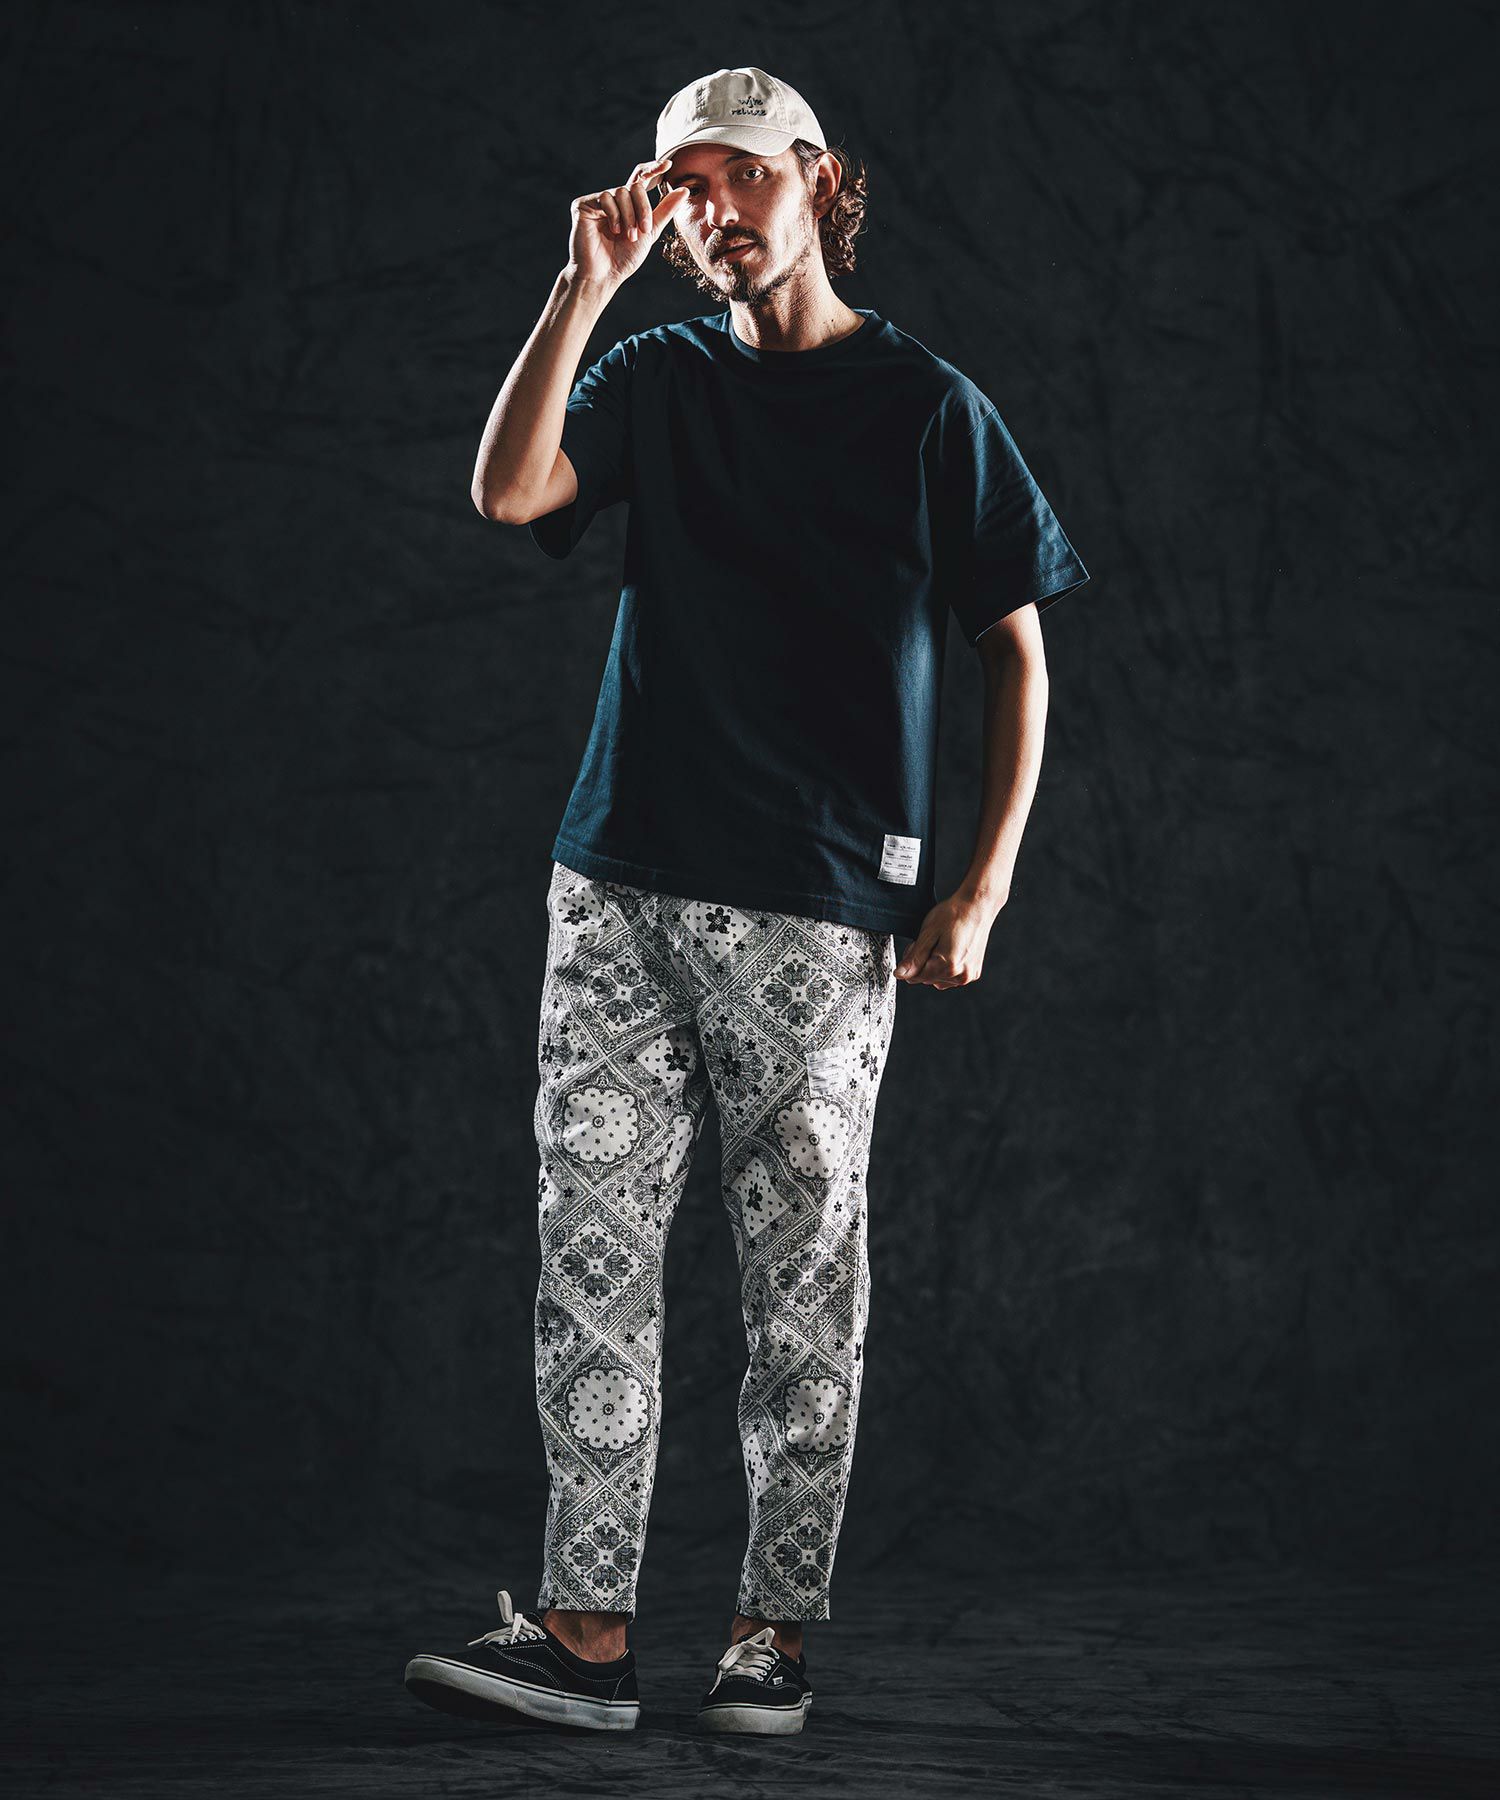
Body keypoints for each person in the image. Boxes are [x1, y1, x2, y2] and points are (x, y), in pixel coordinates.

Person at [404, 65, 1090, 1738]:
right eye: (681, 189)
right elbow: (510, 494)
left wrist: (982, 886)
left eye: (741, 178)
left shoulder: (929, 407)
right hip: (616, 885)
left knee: (801, 1277)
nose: (712, 213)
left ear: (817, 179)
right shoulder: (653, 371)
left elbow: (1019, 653)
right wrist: (581, 290)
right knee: (590, 1257)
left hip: (816, 901)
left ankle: (769, 1640)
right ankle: (584, 1640)